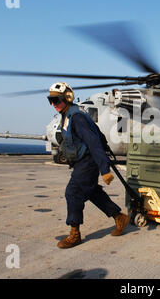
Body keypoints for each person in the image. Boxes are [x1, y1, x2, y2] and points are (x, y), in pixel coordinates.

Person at [47, 82, 129, 249]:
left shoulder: (77, 117)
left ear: (67, 98)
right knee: (92, 192)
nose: (54, 104)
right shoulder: (66, 115)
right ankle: (119, 217)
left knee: (73, 192)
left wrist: (104, 169)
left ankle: (75, 234)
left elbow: (94, 143)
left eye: (57, 100)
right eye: (51, 101)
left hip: (88, 161)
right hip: (81, 162)